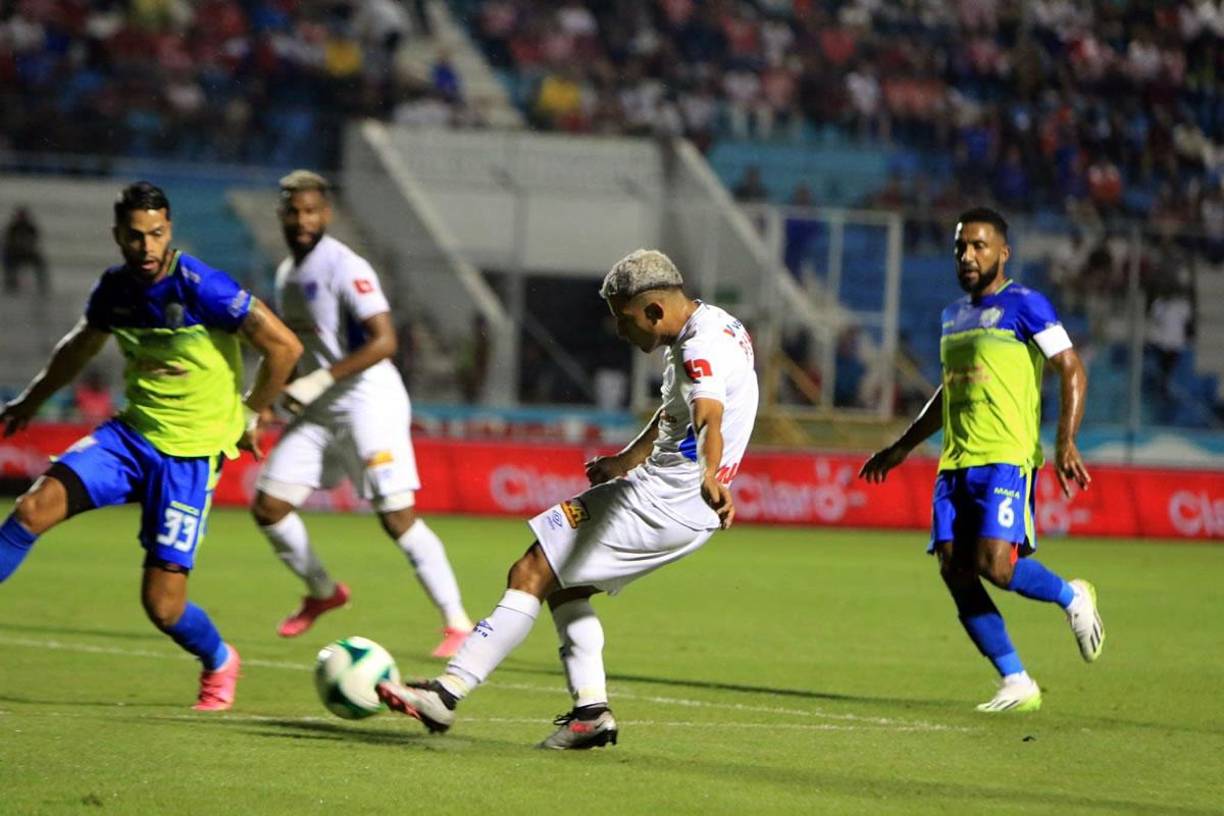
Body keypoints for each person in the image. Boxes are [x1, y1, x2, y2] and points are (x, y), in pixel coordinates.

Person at [375, 249, 759, 749]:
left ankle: (445, 696)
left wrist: (712, 471)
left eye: (624, 321)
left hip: (660, 500)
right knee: (565, 585)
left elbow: (708, 413)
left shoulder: (696, 350)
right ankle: (590, 714)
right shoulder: (721, 326)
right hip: (684, 508)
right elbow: (679, 413)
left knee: (531, 570)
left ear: (654, 312)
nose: (621, 333)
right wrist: (626, 460)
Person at [0, 181, 303, 710]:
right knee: (30, 509)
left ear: (170, 231)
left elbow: (283, 346)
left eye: (157, 234)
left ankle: (219, 660)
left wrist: (251, 415)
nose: (147, 247)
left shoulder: (202, 286)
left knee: (162, 607)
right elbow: (79, 347)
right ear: (117, 235)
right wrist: (32, 399)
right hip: (129, 438)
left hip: (188, 458)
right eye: (136, 236)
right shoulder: (115, 290)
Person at [859, 207, 1103, 713]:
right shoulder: (953, 316)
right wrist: (901, 447)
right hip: (955, 464)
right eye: (961, 247)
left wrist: (1065, 442)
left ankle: (1072, 596)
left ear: (1002, 253)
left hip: (1006, 458)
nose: (968, 255)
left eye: (979, 246)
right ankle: (1016, 680)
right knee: (955, 569)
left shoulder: (1027, 305)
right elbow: (948, 395)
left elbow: (1071, 369)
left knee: (997, 565)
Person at [249, 170, 473, 658]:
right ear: (282, 215)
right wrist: (269, 399)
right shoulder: (289, 273)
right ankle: (323, 591)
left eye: (312, 211)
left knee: (396, 517)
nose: (303, 219)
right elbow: (297, 348)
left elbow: (385, 340)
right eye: (294, 211)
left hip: (368, 400)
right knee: (268, 506)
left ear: (326, 214)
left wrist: (320, 380)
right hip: (320, 405)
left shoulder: (345, 267)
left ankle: (458, 624)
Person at [3, 207, 49, 295]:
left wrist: (28, 247)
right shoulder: (13, 228)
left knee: (39, 261)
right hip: (15, 253)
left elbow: (36, 241)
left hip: (27, 253)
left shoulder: (30, 227)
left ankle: (42, 284)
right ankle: (10, 284)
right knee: (8, 261)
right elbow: (7, 242)